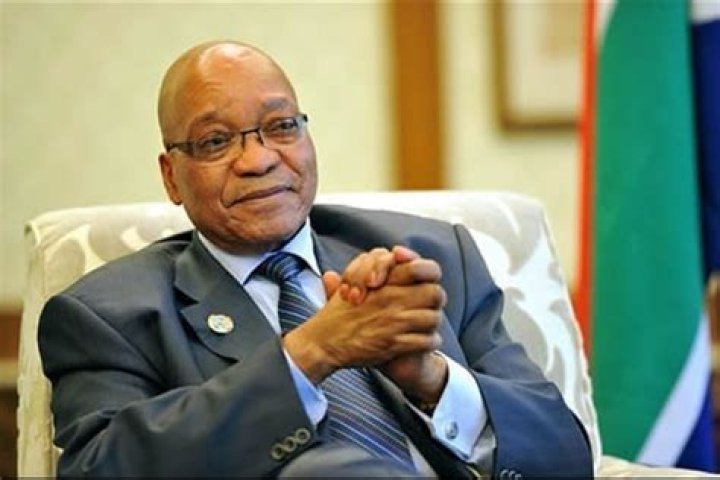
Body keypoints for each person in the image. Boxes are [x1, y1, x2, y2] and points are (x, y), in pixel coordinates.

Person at [38, 41, 592, 478]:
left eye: (281, 127)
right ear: (171, 177)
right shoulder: (108, 315)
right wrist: (311, 352)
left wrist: (431, 379)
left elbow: (565, 454)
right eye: (216, 142)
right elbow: (99, 468)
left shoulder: (433, 258)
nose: (258, 160)